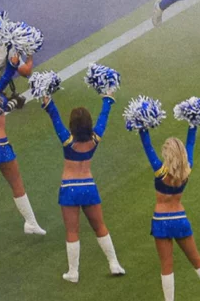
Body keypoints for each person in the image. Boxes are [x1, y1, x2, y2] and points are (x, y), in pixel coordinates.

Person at [41, 89, 125, 281]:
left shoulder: (67, 141)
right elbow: (104, 117)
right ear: (89, 125)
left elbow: (55, 118)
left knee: (72, 231)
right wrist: (108, 98)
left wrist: (48, 101)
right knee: (100, 226)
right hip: (89, 186)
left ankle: (73, 272)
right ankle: (114, 263)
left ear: (72, 126)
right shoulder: (95, 140)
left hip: (69, 188)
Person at [139, 112, 200, 300]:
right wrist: (193, 124)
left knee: (167, 265)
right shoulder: (187, 170)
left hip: (161, 221)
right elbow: (191, 143)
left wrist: (142, 127)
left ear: (167, 155)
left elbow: (147, 146)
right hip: (180, 218)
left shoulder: (160, 171)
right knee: (196, 259)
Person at [0, 58, 47, 240]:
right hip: (0, 144)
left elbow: (2, 108)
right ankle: (31, 223)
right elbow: (7, 77)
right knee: (16, 183)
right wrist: (13, 63)